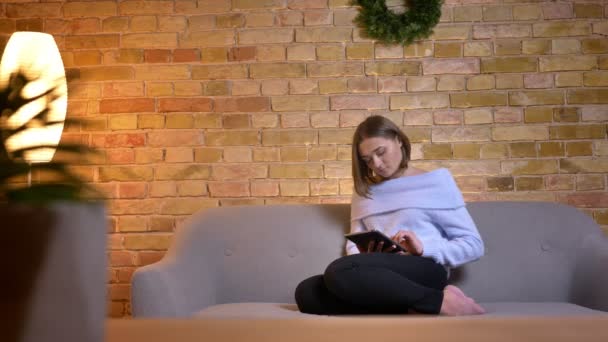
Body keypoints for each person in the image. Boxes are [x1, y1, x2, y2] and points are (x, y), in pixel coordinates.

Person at [295, 115, 485, 316]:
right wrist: (366, 257)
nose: (376, 164)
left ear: (399, 140)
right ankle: (415, 305)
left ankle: (439, 302)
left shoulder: (436, 181)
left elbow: (473, 245)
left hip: (423, 269)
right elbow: (353, 245)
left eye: (381, 152)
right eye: (367, 160)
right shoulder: (364, 193)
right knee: (307, 292)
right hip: (377, 273)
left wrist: (423, 248)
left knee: (339, 271)